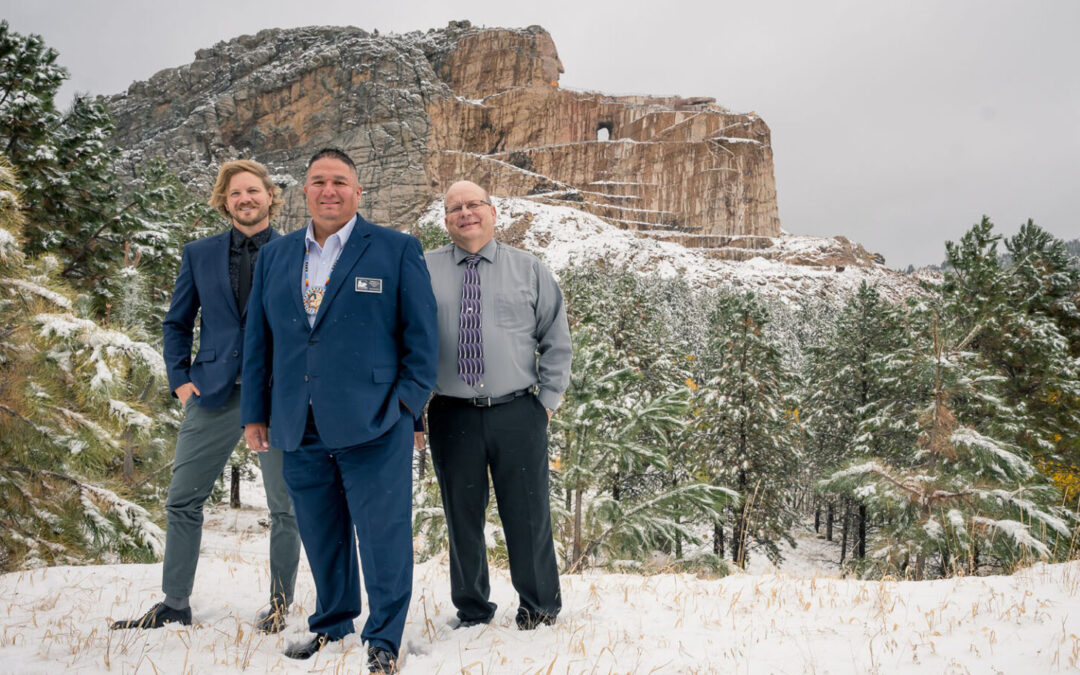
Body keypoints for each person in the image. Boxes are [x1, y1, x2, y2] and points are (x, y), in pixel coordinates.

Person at [242, 148, 437, 673]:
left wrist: (405, 406)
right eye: (318, 181)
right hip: (296, 419)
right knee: (321, 529)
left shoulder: (395, 250)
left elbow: (421, 339)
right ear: (304, 190)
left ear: (357, 191)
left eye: (340, 182)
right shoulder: (276, 257)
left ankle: (384, 638)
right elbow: (259, 340)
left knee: (383, 533)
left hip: (376, 419)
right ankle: (332, 623)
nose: (329, 190)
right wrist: (255, 412)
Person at [111, 160, 301, 634]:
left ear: (270, 196)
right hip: (212, 393)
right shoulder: (198, 253)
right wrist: (180, 379)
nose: (245, 199)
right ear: (224, 200)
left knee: (286, 508)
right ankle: (175, 603)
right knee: (182, 500)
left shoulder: (298, 251)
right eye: (235, 193)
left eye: (253, 191)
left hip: (278, 396)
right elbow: (177, 322)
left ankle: (279, 608)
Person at [419, 180, 571, 630]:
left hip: (517, 412)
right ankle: (472, 610)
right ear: (445, 220)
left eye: (474, 205)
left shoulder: (530, 270)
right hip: (451, 412)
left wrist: (545, 403)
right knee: (461, 516)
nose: (465, 213)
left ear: (492, 212)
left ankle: (539, 607)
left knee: (527, 513)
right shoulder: (422, 269)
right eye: (455, 208)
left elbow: (556, 342)